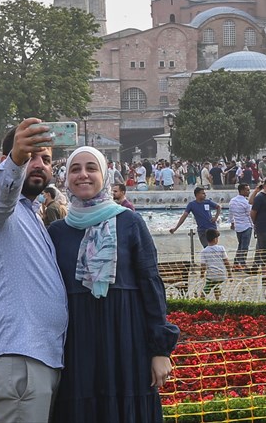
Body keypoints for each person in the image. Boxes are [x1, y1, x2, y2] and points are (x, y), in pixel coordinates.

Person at [48, 146, 178, 422]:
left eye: (91, 168)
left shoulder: (129, 222)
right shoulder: (57, 232)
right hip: (77, 348)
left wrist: (160, 351)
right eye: (75, 169)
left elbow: (151, 285)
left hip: (127, 342)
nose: (83, 175)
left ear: (105, 175)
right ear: (66, 177)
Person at [0, 120, 67, 422]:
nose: (38, 165)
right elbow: (0, 198)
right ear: (4, 160)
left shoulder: (30, 212)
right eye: (30, 156)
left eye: (45, 159)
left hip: (39, 357)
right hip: (18, 357)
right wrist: (15, 161)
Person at [228, 183, 253, 269]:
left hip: (238, 227)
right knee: (245, 246)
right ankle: (242, 263)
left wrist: (232, 223)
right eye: (247, 190)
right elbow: (250, 216)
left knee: (240, 245)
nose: (249, 191)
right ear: (242, 190)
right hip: (246, 226)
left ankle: (236, 262)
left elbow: (230, 214)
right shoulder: (246, 202)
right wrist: (253, 226)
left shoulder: (232, 201)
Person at [199, 228, 229, 300]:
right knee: (217, 286)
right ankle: (218, 301)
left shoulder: (204, 251)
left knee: (205, 291)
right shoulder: (221, 248)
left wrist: (202, 274)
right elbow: (226, 262)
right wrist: (230, 273)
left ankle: (201, 303)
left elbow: (203, 266)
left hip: (211, 277)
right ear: (215, 239)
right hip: (221, 276)